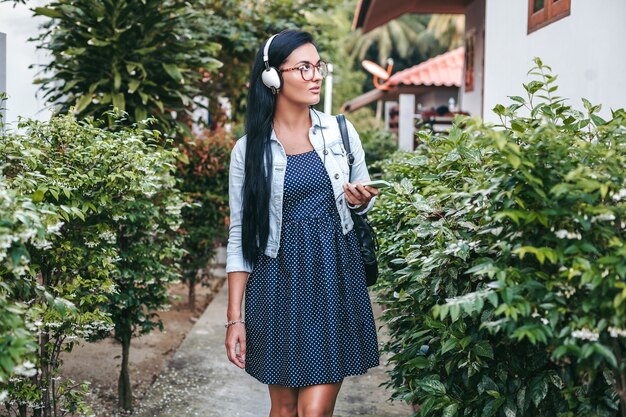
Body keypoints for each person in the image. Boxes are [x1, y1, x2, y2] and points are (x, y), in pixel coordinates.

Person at [224, 29, 380, 417]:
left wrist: (359, 203)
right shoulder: (248, 151)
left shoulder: (342, 132)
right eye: (303, 67)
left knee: (313, 412)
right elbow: (239, 235)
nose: (315, 76)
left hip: (334, 277)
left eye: (318, 66)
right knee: (284, 408)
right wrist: (234, 318)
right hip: (276, 283)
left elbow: (362, 203)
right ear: (273, 77)